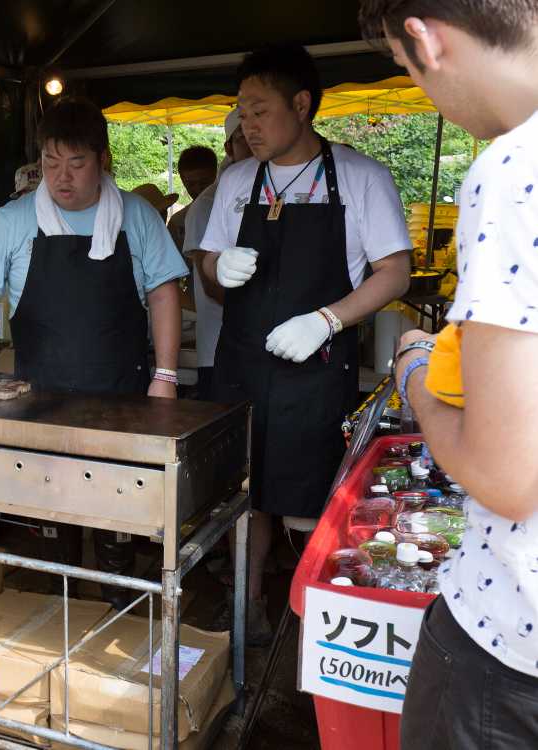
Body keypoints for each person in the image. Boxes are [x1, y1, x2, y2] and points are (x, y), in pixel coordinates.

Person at [360, 2, 538, 746]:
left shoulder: (512, 168)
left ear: (423, 36)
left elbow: (505, 476)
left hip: (510, 653)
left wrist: (413, 375)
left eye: (406, 72)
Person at [199, 44, 411, 643]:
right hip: (241, 364)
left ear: (301, 104)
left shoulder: (361, 175)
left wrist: (327, 319)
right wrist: (219, 266)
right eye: (242, 111)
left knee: (314, 498)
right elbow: (209, 262)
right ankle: (248, 606)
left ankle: (325, 618)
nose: (249, 124)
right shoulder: (238, 180)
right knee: (245, 496)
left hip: (316, 369)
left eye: (260, 110)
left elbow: (394, 271)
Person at [0, 97, 188, 607]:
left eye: (76, 164)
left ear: (103, 160)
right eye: (51, 163)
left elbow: (166, 291)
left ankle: (119, 605)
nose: (62, 177)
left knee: (118, 517)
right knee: (53, 517)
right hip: (42, 400)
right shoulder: (14, 218)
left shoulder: (137, 216)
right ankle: (60, 607)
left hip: (121, 395)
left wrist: (165, 374)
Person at [185, 109, 253, 400]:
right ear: (229, 146)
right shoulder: (208, 204)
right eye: (244, 136)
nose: (254, 143)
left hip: (259, 348)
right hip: (219, 350)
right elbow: (211, 286)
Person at [167, 145, 218, 251]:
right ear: (182, 180)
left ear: (216, 175)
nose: (198, 189)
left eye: (204, 182)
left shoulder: (232, 211)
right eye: (191, 184)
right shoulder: (177, 222)